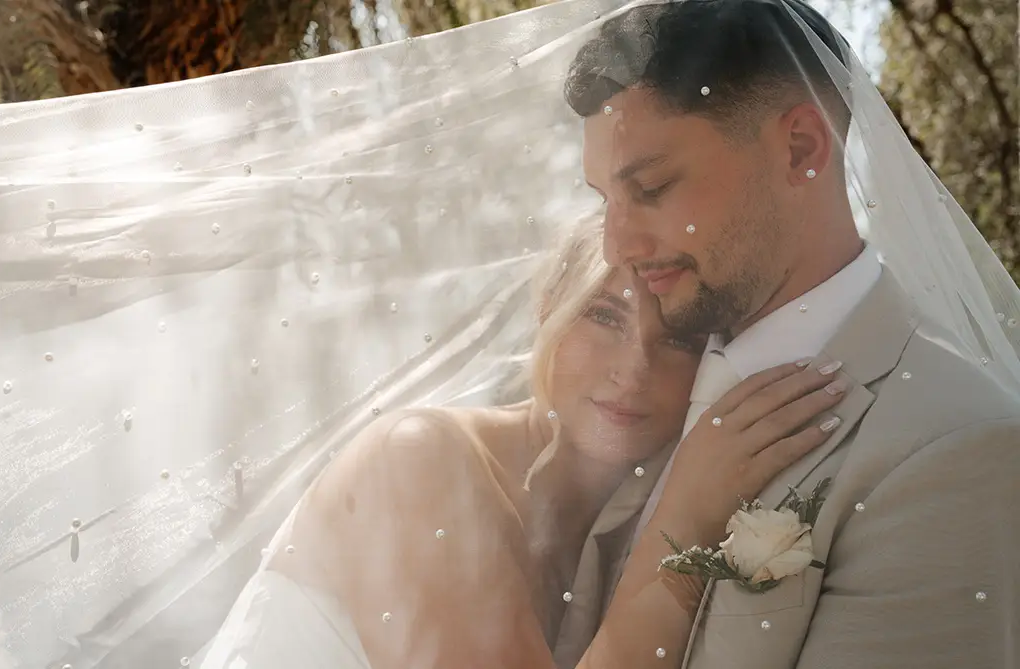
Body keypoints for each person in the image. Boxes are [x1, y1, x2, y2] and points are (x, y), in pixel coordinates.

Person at [561, 0, 1020, 668]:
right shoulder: (644, 393)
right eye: (605, 200)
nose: (615, 245)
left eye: (652, 187)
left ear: (801, 149)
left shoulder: (952, 447)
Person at [196, 213, 843, 669]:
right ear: (547, 310)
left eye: (676, 338)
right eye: (604, 315)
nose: (633, 368)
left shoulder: (616, 536)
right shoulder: (420, 458)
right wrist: (687, 521)